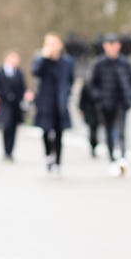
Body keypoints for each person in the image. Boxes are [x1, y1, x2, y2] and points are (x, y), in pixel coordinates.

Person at [89, 34, 131, 176]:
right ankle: (112, 160)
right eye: (109, 44)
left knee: (121, 132)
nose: (112, 47)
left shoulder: (125, 63)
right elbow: (92, 84)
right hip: (105, 104)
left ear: (118, 46)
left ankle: (122, 158)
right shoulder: (98, 64)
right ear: (105, 46)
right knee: (109, 132)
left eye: (115, 44)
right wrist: (99, 98)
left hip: (122, 102)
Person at [32, 33, 75, 174]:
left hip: (59, 102)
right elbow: (35, 72)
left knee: (59, 132)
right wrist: (44, 56)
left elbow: (70, 79)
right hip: (45, 101)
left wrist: (67, 93)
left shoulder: (67, 62)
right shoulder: (42, 60)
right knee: (45, 130)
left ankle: (57, 161)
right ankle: (48, 155)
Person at [0, 51, 27, 161]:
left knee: (13, 128)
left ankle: (10, 151)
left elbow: (23, 87)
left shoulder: (19, 73)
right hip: (4, 104)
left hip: (15, 105)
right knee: (6, 127)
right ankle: (6, 150)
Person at [78, 78, 100, 158]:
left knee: (95, 129)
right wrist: (81, 108)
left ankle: (94, 145)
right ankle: (93, 146)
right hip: (89, 111)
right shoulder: (87, 85)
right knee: (92, 129)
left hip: (97, 111)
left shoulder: (99, 83)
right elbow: (82, 98)